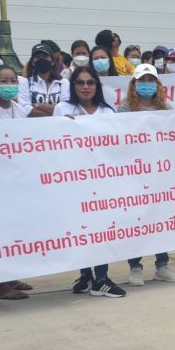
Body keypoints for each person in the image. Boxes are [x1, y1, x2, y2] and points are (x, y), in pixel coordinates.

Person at [51, 66, 125, 297]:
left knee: (102, 229)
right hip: (74, 179)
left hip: (102, 181)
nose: (85, 86)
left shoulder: (107, 112)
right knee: (81, 229)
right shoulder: (63, 109)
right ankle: (86, 275)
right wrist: (63, 125)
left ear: (97, 86)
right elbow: (54, 142)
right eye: (80, 82)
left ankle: (101, 277)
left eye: (90, 82)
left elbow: (117, 146)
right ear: (73, 86)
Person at [114, 64, 175, 285]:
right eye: (142, 80)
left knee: (160, 219)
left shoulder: (166, 107)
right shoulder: (124, 109)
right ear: (135, 84)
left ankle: (162, 266)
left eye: (150, 80)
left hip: (160, 174)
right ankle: (135, 267)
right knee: (137, 221)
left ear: (157, 84)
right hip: (135, 173)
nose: (147, 85)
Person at [0, 65, 35, 299]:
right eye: (4, 81)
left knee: (15, 231)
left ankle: (9, 276)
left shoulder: (18, 109)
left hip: (14, 179)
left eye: (13, 81)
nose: (9, 86)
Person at [18, 43, 70, 117]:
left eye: (45, 57)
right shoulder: (25, 82)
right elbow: (25, 109)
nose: (41, 60)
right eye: (38, 57)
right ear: (33, 62)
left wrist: (36, 104)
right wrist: (55, 113)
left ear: (52, 61)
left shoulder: (63, 82)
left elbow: (65, 107)